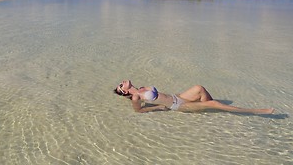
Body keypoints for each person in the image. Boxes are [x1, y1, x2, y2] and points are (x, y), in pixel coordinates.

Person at [114, 80, 274, 114]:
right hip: (178, 106)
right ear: (125, 92)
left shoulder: (141, 87)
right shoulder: (135, 98)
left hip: (178, 97)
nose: (121, 83)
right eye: (120, 86)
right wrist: (158, 107)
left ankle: (207, 108)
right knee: (214, 103)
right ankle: (255, 111)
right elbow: (139, 111)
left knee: (199, 88)